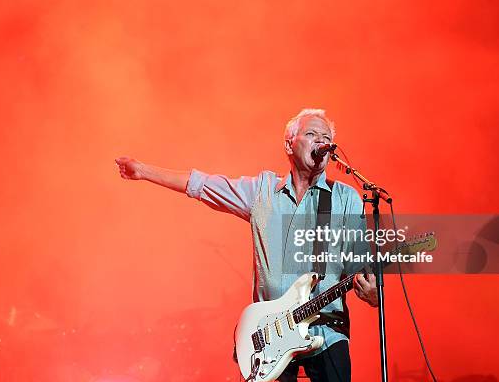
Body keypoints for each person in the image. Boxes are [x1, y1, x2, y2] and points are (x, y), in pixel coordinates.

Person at [115, 108, 378, 382]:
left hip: (327, 333)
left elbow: (362, 270)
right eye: (311, 134)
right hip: (270, 334)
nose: (320, 142)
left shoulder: (345, 199)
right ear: (289, 144)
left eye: (326, 137)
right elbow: (202, 185)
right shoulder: (262, 191)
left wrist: (371, 293)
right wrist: (143, 171)